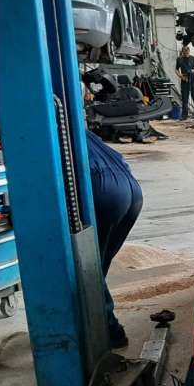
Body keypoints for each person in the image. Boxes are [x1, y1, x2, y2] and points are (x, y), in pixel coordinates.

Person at [85, 130, 143, 348]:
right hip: (131, 189)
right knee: (96, 268)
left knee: (86, 270)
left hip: (103, 189)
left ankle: (110, 332)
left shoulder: (38, 133)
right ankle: (103, 328)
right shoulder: (77, 130)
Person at [175, 45, 194, 120]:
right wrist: (181, 76)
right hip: (185, 81)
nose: (186, 54)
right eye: (184, 52)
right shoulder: (179, 59)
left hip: (193, 81)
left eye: (187, 52)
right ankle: (184, 116)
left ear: (189, 51)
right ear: (182, 52)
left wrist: (193, 70)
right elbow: (176, 69)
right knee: (185, 99)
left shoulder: (193, 59)